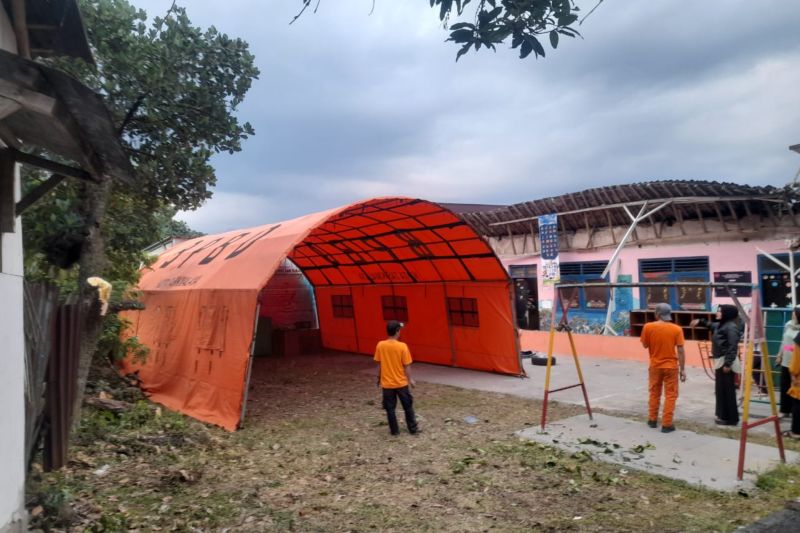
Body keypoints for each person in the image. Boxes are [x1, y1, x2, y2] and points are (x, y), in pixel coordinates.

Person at [640, 303, 687, 433]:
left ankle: (652, 420)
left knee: (654, 393)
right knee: (671, 395)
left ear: (658, 314)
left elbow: (644, 345)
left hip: (655, 366)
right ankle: (666, 424)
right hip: (671, 367)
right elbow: (681, 350)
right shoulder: (677, 329)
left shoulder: (648, 327)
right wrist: (682, 369)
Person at [374, 320, 419, 435]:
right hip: (401, 383)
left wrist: (378, 378)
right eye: (399, 330)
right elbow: (406, 366)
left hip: (387, 384)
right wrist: (411, 380)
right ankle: (413, 429)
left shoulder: (380, 345)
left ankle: (394, 431)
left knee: (390, 409)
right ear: (397, 331)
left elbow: (379, 364)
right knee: (408, 407)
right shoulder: (402, 346)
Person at [709, 305, 742, 426]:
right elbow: (712, 325)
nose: (717, 313)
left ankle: (731, 418)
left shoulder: (731, 327)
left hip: (726, 363)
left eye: (719, 311)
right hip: (721, 361)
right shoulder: (721, 325)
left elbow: (732, 347)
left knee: (727, 391)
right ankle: (722, 415)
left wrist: (728, 363)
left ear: (726, 314)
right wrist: (700, 321)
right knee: (721, 391)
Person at [776, 307, 800, 418]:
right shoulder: (788, 324)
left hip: (796, 362)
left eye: (795, 313)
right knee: (784, 385)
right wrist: (779, 355)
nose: (793, 315)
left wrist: (790, 349)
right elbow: (783, 341)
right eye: (793, 313)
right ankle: (784, 410)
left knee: (795, 387)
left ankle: (795, 413)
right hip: (786, 360)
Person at [786, 323, 800, 440]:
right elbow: (786, 346)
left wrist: (793, 373)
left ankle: (796, 431)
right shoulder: (789, 326)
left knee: (797, 405)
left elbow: (796, 357)